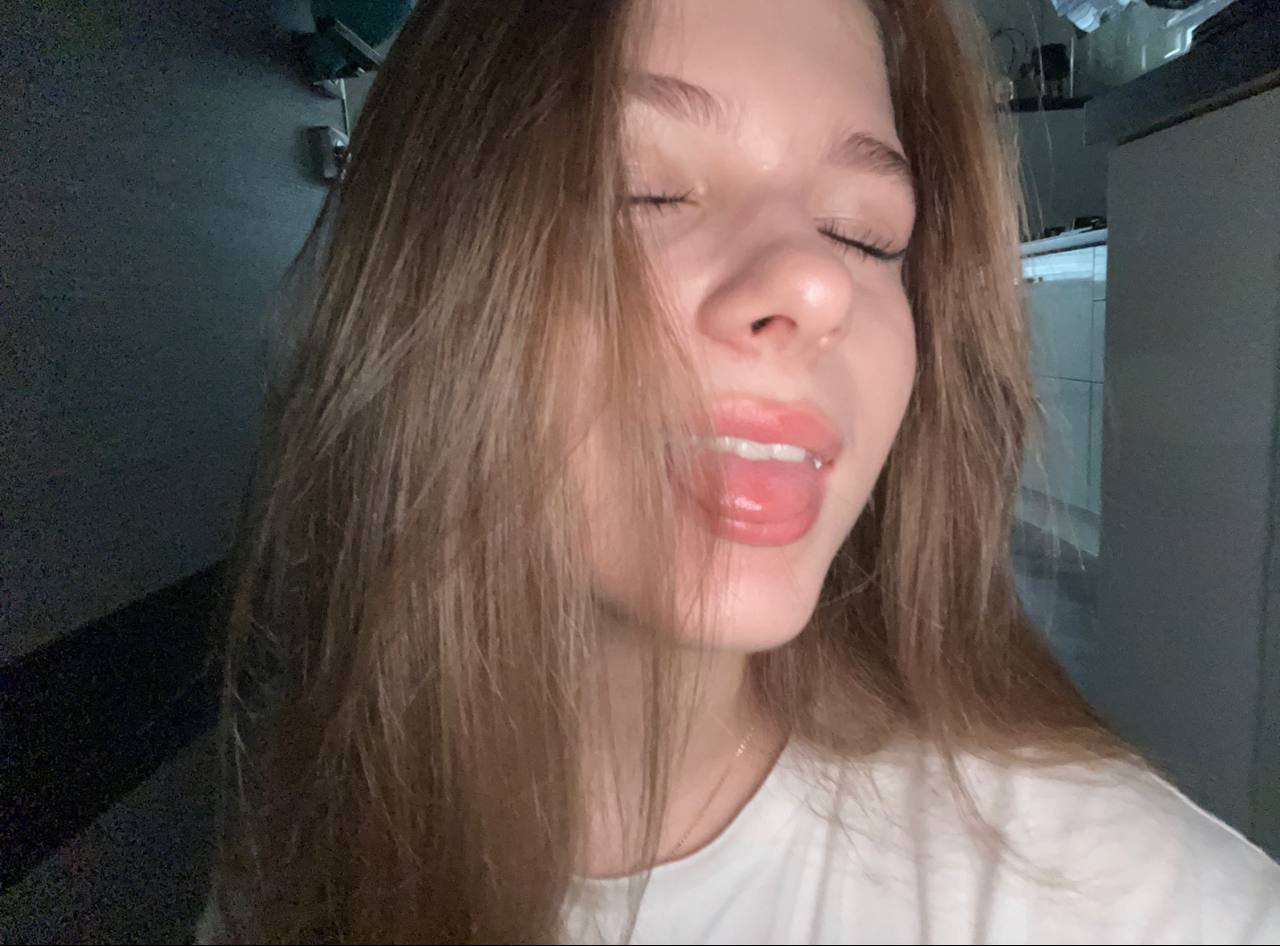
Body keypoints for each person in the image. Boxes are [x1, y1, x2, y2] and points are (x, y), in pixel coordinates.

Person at [200, 0, 1280, 942]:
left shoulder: (1126, 900)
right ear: (419, 274)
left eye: (863, 235)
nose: (816, 281)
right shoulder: (298, 845)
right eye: (645, 191)